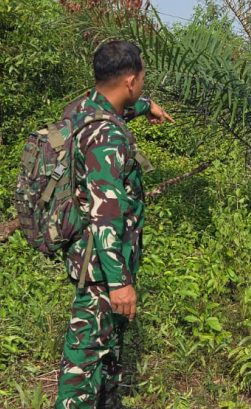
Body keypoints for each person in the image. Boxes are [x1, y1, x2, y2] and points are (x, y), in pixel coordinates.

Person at [56, 40, 173, 409]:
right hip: (101, 261)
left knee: (108, 335)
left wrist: (146, 106)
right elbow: (104, 215)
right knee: (86, 347)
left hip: (89, 252)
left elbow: (115, 108)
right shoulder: (107, 136)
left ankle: (107, 399)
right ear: (130, 79)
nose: (141, 86)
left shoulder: (82, 109)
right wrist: (120, 282)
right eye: (141, 81)